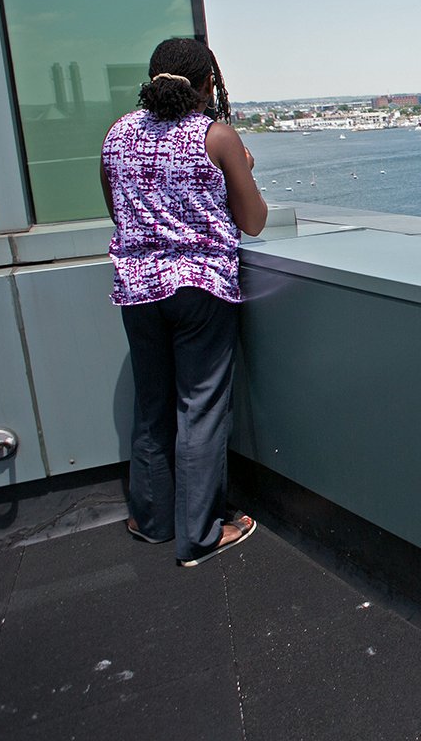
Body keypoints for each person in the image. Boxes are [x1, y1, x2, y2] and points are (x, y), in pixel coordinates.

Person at [100, 37, 267, 567]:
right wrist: (243, 165)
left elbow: (118, 211)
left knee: (152, 406)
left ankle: (151, 521)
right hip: (200, 289)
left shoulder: (117, 134)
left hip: (137, 287)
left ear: (152, 79)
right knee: (201, 408)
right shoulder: (214, 136)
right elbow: (254, 220)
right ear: (206, 85)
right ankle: (198, 535)